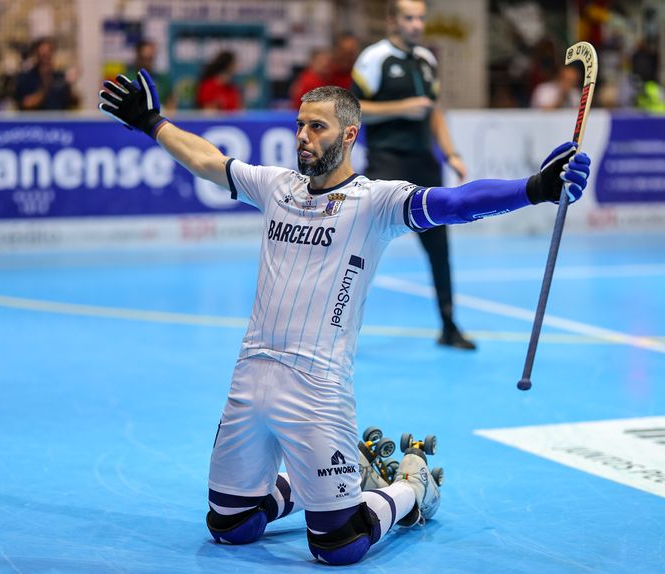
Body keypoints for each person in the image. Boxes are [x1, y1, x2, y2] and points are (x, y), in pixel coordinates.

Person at [98, 69, 590, 565]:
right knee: (231, 527)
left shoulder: (375, 202)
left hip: (317, 390)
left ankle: (411, 488)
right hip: (249, 377)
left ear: (349, 135)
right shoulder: (276, 186)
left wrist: (533, 188)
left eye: (318, 128)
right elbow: (206, 159)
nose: (303, 138)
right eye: (300, 126)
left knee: (338, 545)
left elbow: (456, 203)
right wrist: (149, 120)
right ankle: (349, 468)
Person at [351, 0, 476, 350]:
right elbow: (353, 110)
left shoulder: (426, 60)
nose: (417, 25)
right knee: (359, 246)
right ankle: (335, 327)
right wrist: (401, 108)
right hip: (387, 164)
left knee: (440, 249)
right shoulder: (373, 59)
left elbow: (434, 112)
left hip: (425, 165)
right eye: (409, 18)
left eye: (421, 18)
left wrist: (451, 153)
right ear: (392, 20)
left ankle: (449, 326)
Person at [15, 37, 78, 110]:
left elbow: (73, 102)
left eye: (49, 54)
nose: (46, 59)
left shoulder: (60, 76)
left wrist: (69, 85)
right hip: (36, 120)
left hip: (59, 120)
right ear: (36, 54)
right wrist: (46, 86)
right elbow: (26, 104)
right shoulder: (25, 78)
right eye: (43, 55)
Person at [126, 40, 175, 111]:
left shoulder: (163, 79)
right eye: (144, 59)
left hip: (159, 119)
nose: (147, 63)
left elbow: (171, 102)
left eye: (150, 59)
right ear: (137, 57)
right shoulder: (128, 79)